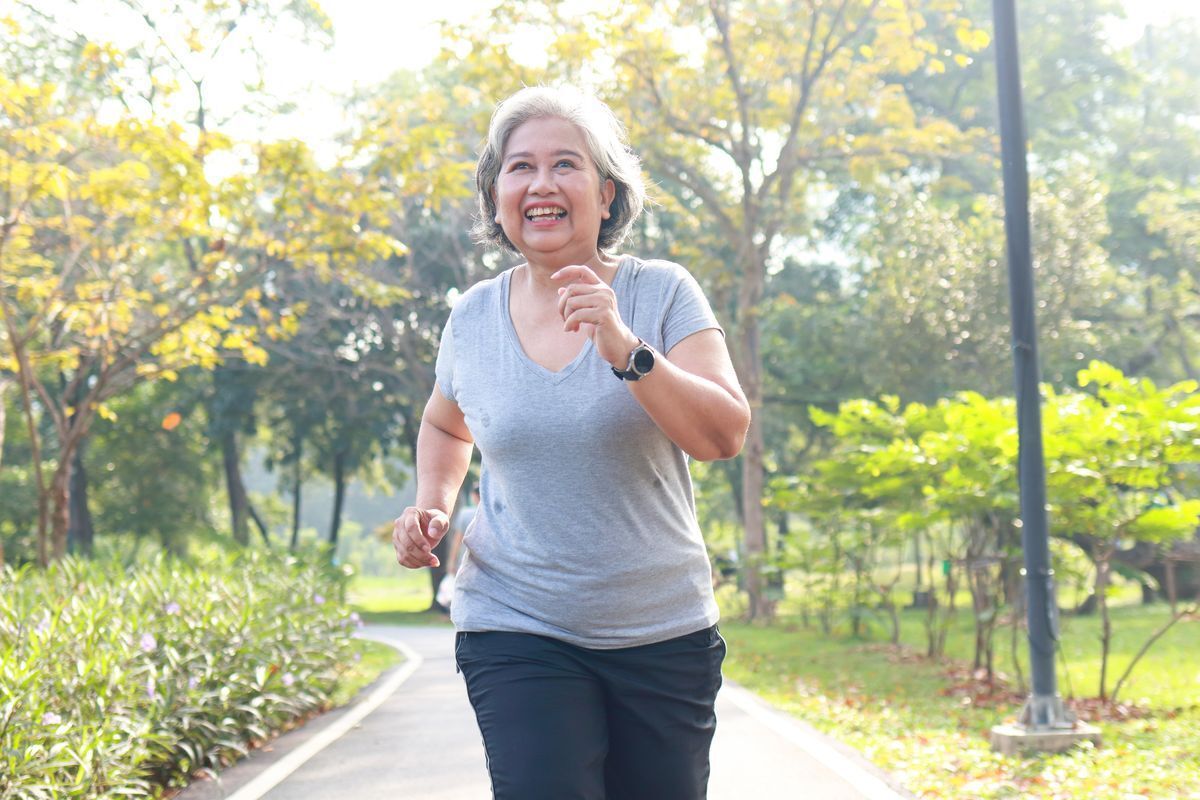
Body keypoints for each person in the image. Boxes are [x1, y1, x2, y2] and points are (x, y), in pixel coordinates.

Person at [392, 85, 750, 800]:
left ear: (607, 193)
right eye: (520, 167)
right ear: (496, 195)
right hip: (515, 620)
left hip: (660, 629)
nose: (542, 183)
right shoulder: (472, 316)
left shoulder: (662, 293)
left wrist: (624, 348)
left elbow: (723, 434)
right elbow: (444, 420)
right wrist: (431, 504)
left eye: (566, 164)